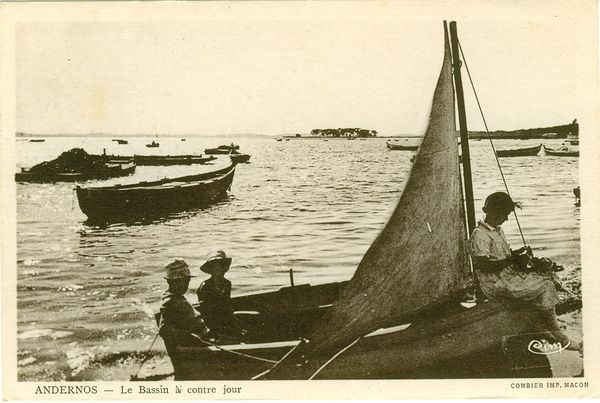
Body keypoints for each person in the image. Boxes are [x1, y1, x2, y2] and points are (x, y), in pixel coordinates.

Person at [470, 192, 580, 351]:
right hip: (494, 282)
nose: (506, 218)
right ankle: (560, 337)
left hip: (505, 276)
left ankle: (541, 325)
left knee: (547, 274)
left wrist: (519, 253)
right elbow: (484, 266)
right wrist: (514, 261)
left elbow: (503, 256)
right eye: (505, 214)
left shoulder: (497, 230)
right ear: (494, 212)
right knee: (546, 285)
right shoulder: (480, 235)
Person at [158, 259, 209, 378]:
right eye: (182, 281)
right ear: (171, 282)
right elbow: (164, 329)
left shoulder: (178, 297)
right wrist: (189, 336)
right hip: (193, 345)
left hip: (199, 337)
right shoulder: (169, 302)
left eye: (187, 281)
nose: (186, 285)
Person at [197, 250, 241, 339]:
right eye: (216, 267)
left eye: (222, 266)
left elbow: (228, 306)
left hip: (225, 319)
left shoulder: (227, 284)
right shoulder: (205, 286)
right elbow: (205, 312)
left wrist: (234, 323)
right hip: (211, 323)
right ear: (211, 270)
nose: (220, 270)